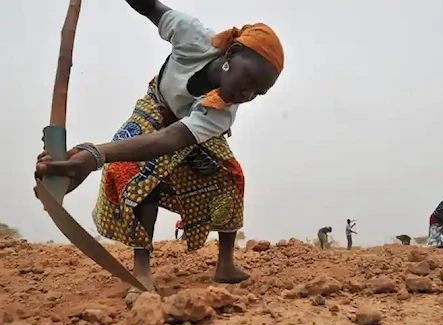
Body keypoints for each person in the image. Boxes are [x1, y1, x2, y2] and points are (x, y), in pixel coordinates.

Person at [35, 0, 284, 301]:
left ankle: (226, 264)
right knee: (131, 170)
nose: (247, 95)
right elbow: (148, 6)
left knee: (231, 178)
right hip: (157, 106)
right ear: (231, 54)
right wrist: (92, 157)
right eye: (247, 82)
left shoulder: (222, 113)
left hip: (184, 130)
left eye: (258, 93)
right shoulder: (192, 36)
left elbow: (172, 139)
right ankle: (142, 270)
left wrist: (95, 155)